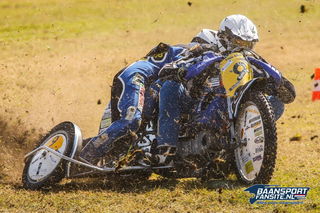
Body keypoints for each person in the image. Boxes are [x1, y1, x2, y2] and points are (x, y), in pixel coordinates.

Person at [150, 14, 295, 166]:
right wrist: (179, 70)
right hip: (194, 104)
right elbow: (171, 66)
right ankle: (165, 149)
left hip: (234, 105)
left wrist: (277, 86)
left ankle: (244, 150)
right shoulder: (204, 47)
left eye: (248, 44)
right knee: (170, 86)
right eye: (238, 42)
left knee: (278, 102)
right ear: (224, 38)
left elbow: (290, 94)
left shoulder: (251, 60)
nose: (242, 48)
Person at [79, 30, 219, 165]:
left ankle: (118, 153)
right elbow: (170, 76)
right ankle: (85, 158)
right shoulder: (187, 51)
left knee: (130, 132)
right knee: (131, 120)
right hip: (136, 77)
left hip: (148, 82)